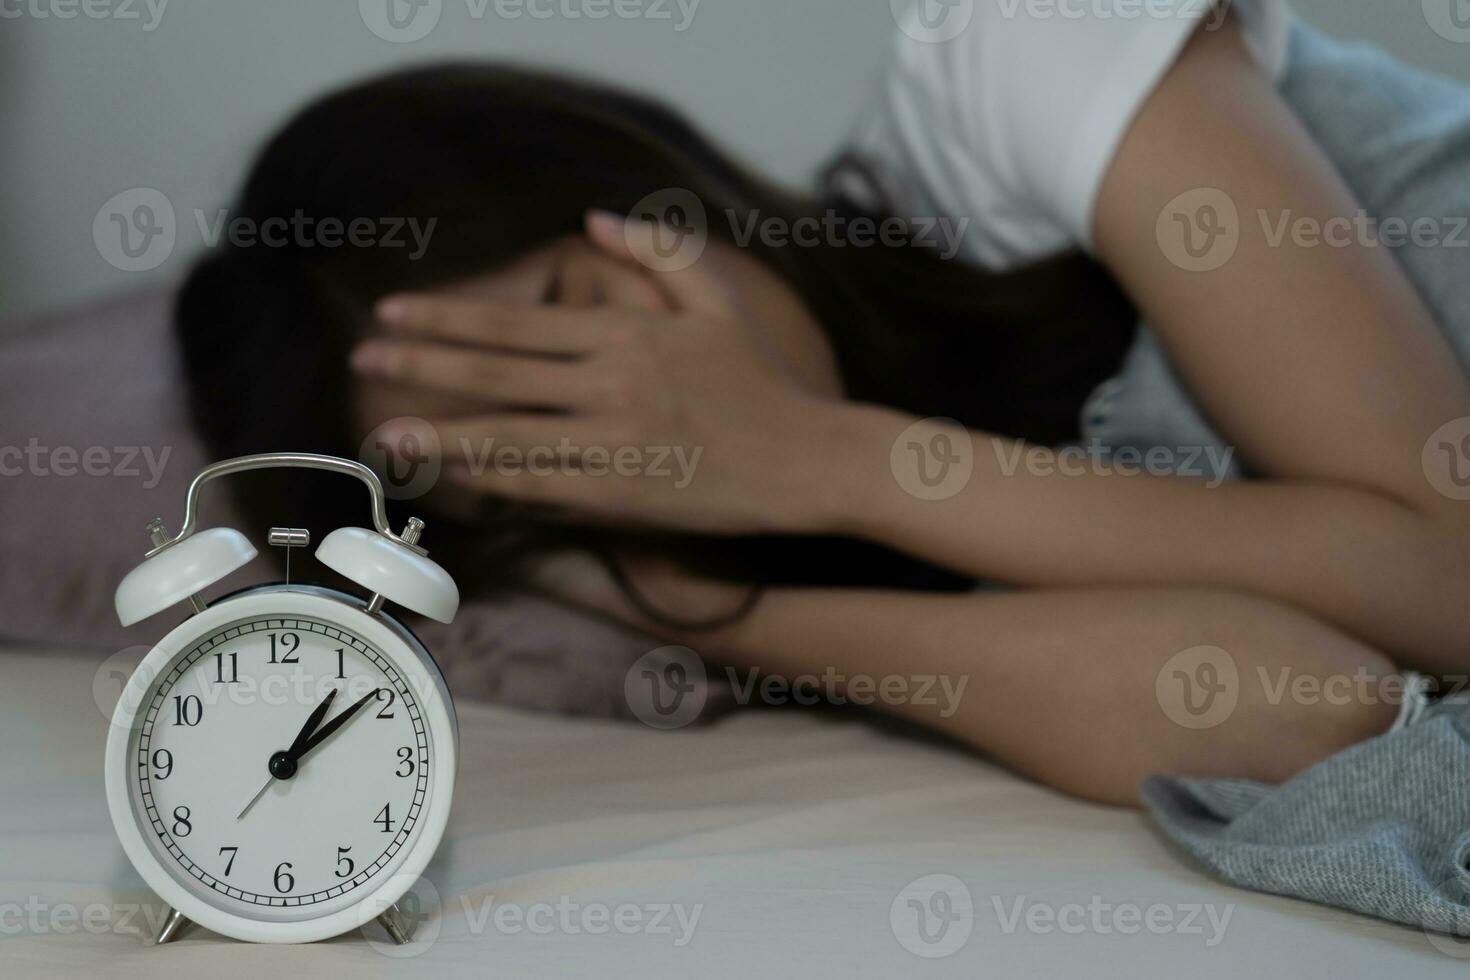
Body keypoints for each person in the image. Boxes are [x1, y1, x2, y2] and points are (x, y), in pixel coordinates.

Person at [177, 0, 1470, 805]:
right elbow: (1315, 714)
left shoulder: (1012, 54)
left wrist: (823, 457)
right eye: (522, 455)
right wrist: (693, 604)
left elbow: (1447, 573)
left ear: (633, 183)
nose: (630, 424)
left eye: (572, 323)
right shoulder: (852, 594)